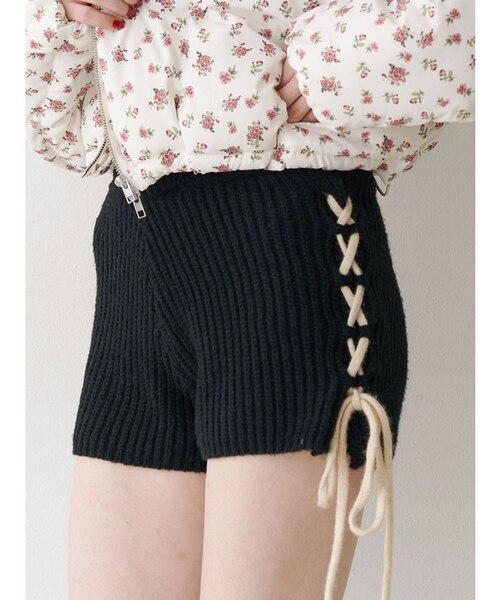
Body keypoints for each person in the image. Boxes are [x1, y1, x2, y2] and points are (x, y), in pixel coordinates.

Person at [25, 1, 474, 598]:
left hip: (285, 261)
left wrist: (334, 67)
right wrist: (62, 13)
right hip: (134, 261)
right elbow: (65, 134)